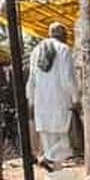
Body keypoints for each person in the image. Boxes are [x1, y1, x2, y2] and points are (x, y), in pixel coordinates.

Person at [25, 22, 79, 171]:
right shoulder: (64, 49)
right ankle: (47, 158)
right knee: (64, 144)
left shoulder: (36, 51)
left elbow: (31, 81)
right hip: (60, 105)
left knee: (51, 146)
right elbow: (68, 79)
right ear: (64, 36)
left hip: (41, 107)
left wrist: (31, 101)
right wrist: (76, 99)